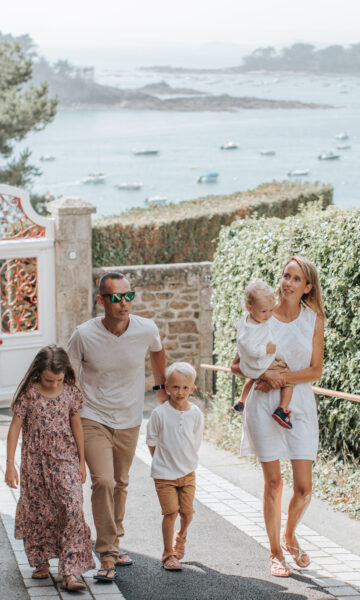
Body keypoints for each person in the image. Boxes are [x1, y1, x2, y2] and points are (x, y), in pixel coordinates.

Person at [67, 271, 167, 583]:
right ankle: (107, 554)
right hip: (92, 417)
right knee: (104, 482)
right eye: (116, 297)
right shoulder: (84, 335)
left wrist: (161, 390)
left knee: (121, 482)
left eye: (128, 296)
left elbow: (157, 351)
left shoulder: (145, 328)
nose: (124, 304)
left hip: (130, 418)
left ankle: (115, 539)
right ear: (101, 301)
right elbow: (68, 376)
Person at [231, 256, 325, 578]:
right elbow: (235, 365)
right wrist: (263, 373)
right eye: (286, 276)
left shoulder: (313, 319)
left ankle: (289, 535)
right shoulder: (261, 315)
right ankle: (275, 554)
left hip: (298, 404)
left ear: (307, 287)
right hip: (263, 403)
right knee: (274, 483)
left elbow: (316, 370)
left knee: (303, 488)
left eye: (296, 279)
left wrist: (282, 378)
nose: (287, 283)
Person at [5, 346, 95, 592]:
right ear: (38, 373)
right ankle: (41, 560)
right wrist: (10, 465)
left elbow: (77, 427)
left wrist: (81, 461)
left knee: (73, 508)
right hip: (34, 464)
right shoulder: (29, 394)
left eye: (59, 379)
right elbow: (14, 428)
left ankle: (71, 570)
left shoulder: (71, 393)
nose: (54, 384)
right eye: (49, 379)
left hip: (65, 459)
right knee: (39, 511)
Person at [146, 362, 204, 571]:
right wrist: (162, 460)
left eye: (185, 387)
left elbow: (196, 440)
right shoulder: (159, 413)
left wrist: (186, 461)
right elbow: (151, 441)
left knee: (187, 513)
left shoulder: (195, 413)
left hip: (188, 472)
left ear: (192, 388)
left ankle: (181, 537)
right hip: (164, 474)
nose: (180, 392)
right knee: (170, 512)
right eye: (176, 387)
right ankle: (168, 554)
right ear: (167, 387)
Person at [232, 280, 294, 429]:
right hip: (260, 362)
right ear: (249, 308)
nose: (268, 315)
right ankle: (282, 410)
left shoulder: (247, 319)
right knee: (288, 375)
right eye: (264, 311)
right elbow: (252, 350)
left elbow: (238, 327)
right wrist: (267, 350)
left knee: (251, 380)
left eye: (271, 310)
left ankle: (241, 401)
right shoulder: (254, 328)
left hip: (250, 365)